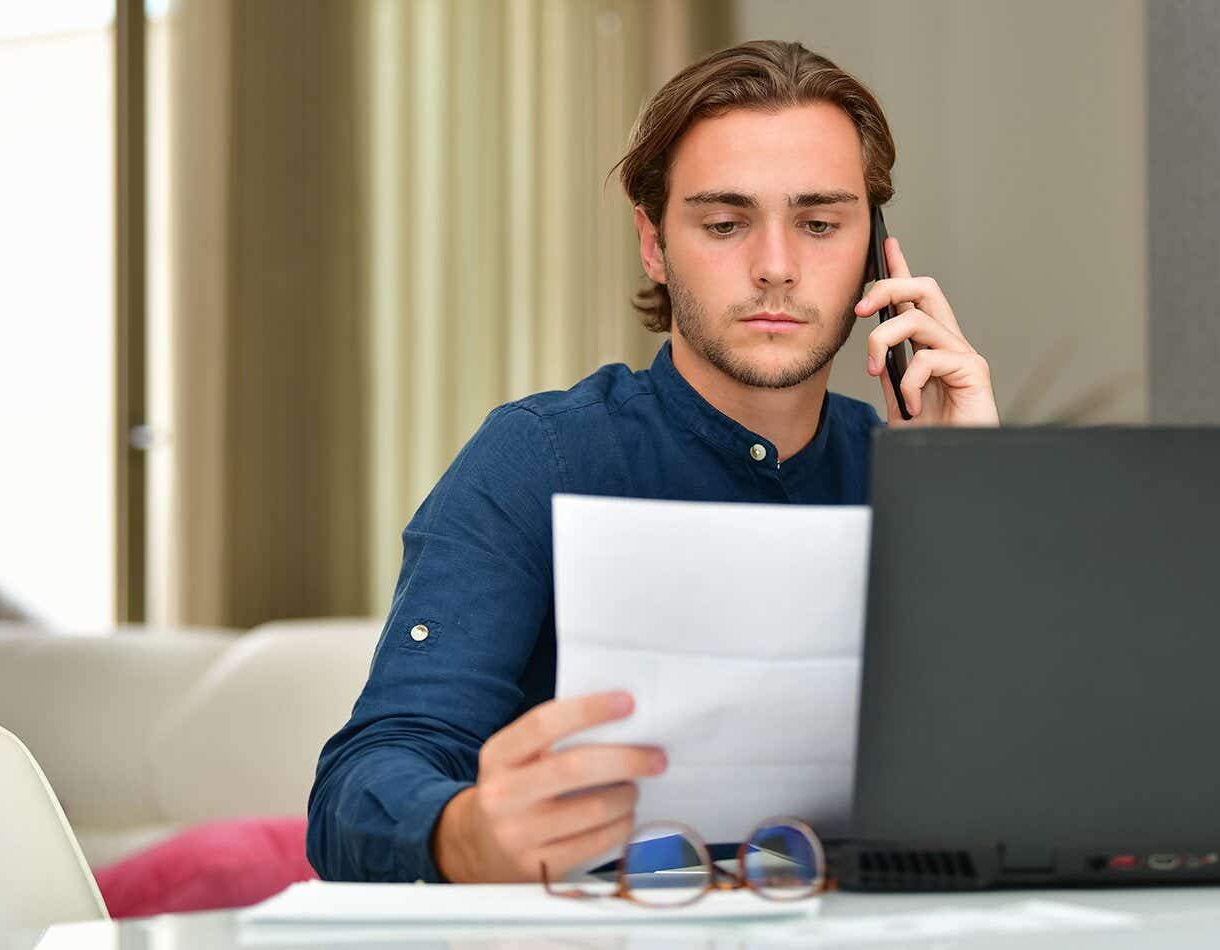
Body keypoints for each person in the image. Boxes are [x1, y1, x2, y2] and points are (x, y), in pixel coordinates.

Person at [307, 39, 1000, 883]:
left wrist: (970, 492)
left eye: (820, 225)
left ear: (873, 247)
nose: (777, 267)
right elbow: (359, 787)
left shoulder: (909, 470)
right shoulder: (540, 458)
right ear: (653, 244)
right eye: (723, 223)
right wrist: (462, 834)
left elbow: (1039, 780)